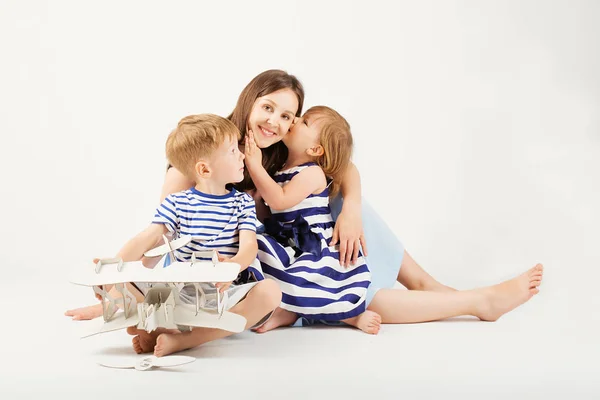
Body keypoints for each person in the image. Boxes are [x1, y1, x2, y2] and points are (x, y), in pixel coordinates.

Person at [65, 114, 281, 357]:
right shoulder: (178, 203)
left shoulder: (242, 202)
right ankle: (159, 327)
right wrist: (113, 269)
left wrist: (232, 266)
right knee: (127, 283)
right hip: (181, 293)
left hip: (226, 291)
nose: (242, 155)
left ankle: (186, 339)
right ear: (204, 168)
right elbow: (147, 237)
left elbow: (249, 247)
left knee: (271, 291)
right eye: (233, 151)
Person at [244, 105, 381, 334]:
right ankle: (286, 310)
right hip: (287, 241)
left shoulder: (312, 173)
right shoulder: (281, 171)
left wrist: (255, 166)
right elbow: (271, 213)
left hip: (311, 245)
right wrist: (257, 201)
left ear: (315, 149)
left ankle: (352, 316)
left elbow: (280, 200)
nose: (295, 120)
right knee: (257, 248)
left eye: (305, 122)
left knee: (321, 287)